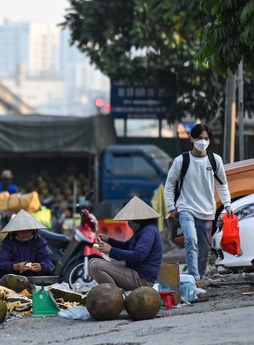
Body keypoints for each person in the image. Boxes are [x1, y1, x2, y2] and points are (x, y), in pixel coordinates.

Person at [164, 124, 232, 282]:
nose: (203, 141)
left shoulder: (215, 160)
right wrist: (171, 207)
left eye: (206, 138)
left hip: (207, 210)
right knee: (190, 239)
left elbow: (222, 185)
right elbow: (169, 184)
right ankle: (193, 277)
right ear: (192, 139)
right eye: (200, 138)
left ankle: (200, 277)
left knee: (205, 248)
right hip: (185, 207)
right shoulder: (181, 160)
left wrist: (227, 204)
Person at [90, 196, 163, 290]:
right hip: (134, 272)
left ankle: (116, 295)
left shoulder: (148, 231)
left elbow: (138, 255)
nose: (129, 222)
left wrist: (111, 250)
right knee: (92, 261)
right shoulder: (142, 230)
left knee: (95, 266)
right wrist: (109, 240)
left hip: (142, 278)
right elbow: (127, 245)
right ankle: (115, 293)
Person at [0, 209, 55, 282]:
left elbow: (49, 263)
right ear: (16, 231)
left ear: (33, 230)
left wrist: (41, 266)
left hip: (34, 275)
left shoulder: (39, 241)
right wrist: (14, 266)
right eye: (21, 230)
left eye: (28, 230)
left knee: (49, 275)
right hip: (14, 274)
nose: (24, 233)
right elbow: (0, 262)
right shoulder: (9, 242)